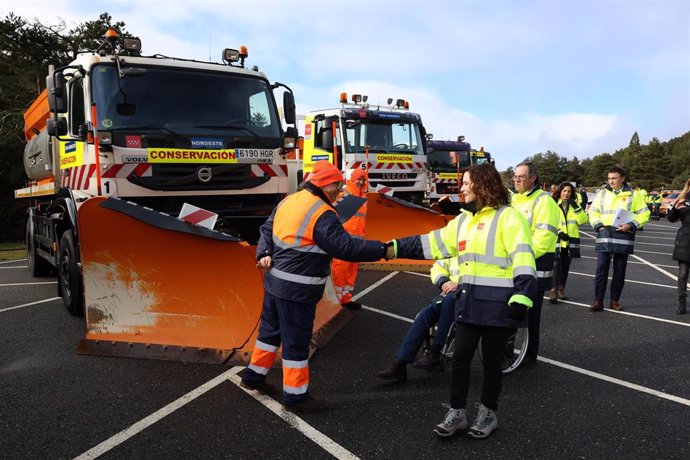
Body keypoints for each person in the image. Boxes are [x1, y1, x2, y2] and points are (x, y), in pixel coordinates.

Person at [388, 163, 537, 439]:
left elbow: (524, 259)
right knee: (460, 361)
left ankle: (488, 414)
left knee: (492, 364)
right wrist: (393, 247)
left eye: (467, 183)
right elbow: (430, 244)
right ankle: (457, 412)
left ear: (482, 185)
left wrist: (522, 295)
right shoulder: (462, 221)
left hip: (499, 306)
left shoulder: (509, 218)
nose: (463, 188)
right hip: (469, 304)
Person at [240, 160, 392, 413]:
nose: (339, 191)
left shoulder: (290, 200)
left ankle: (253, 376)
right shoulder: (323, 213)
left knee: (269, 333)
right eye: (337, 186)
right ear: (325, 184)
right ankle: (296, 397)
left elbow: (266, 228)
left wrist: (263, 252)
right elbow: (345, 248)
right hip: (298, 290)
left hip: (275, 283)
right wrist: (384, 249)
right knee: (296, 343)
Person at [375, 258, 460, 381]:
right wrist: (443, 281)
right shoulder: (453, 247)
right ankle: (400, 364)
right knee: (424, 314)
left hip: (468, 297)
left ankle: (435, 351)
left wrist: (460, 284)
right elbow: (437, 268)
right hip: (449, 293)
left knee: (448, 302)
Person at [510, 161, 560, 367]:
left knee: (531, 315)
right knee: (512, 311)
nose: (517, 180)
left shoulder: (544, 202)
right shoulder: (513, 200)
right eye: (515, 176)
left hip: (535, 266)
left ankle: (530, 356)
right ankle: (509, 351)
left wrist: (519, 256)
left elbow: (544, 239)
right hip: (515, 264)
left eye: (521, 176)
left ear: (533, 178)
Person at [588, 166, 650, 311]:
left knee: (619, 271)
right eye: (609, 178)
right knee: (600, 270)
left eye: (614, 178)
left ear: (623, 178)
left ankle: (615, 301)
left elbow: (644, 214)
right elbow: (593, 212)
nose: (611, 181)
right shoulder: (602, 194)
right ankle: (598, 300)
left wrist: (631, 225)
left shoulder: (634, 195)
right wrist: (598, 226)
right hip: (605, 234)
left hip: (623, 235)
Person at [331, 169, 368, 310]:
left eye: (364, 180)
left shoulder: (363, 197)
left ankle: (346, 299)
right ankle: (335, 301)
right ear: (352, 178)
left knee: (351, 271)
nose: (361, 182)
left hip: (356, 242)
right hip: (343, 241)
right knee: (340, 270)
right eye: (359, 179)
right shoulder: (344, 193)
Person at [548, 182, 588, 303]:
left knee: (565, 265)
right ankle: (553, 290)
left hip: (570, 240)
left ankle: (561, 288)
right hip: (558, 238)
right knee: (556, 265)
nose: (566, 193)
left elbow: (583, 220)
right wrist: (559, 232)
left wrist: (576, 207)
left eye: (569, 191)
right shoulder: (553, 204)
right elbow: (549, 219)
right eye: (564, 191)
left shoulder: (574, 206)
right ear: (560, 192)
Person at [667, 178, 690, 314]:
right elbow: (671, 218)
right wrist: (676, 208)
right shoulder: (683, 198)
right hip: (685, 241)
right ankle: (682, 303)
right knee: (682, 275)